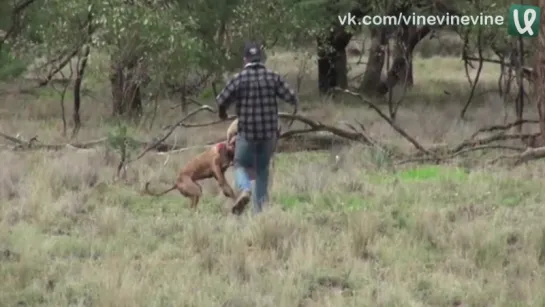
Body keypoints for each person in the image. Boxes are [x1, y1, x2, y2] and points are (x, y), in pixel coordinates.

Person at [216, 42, 299, 215]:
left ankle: (245, 189)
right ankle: (259, 213)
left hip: (246, 134)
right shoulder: (273, 76)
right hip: (268, 135)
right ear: (260, 58)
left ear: (245, 59)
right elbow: (291, 97)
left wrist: (223, 112)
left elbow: (221, 99)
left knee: (239, 164)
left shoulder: (239, 78)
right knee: (262, 171)